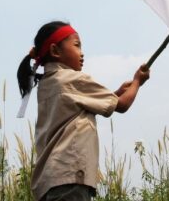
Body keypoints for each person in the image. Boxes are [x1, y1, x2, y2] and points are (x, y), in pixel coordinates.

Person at [17, 21, 150, 201]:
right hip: (69, 176)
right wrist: (137, 82)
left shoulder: (47, 84)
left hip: (50, 181)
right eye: (77, 45)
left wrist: (115, 93)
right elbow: (121, 105)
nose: (82, 52)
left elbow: (78, 103)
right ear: (56, 51)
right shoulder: (73, 79)